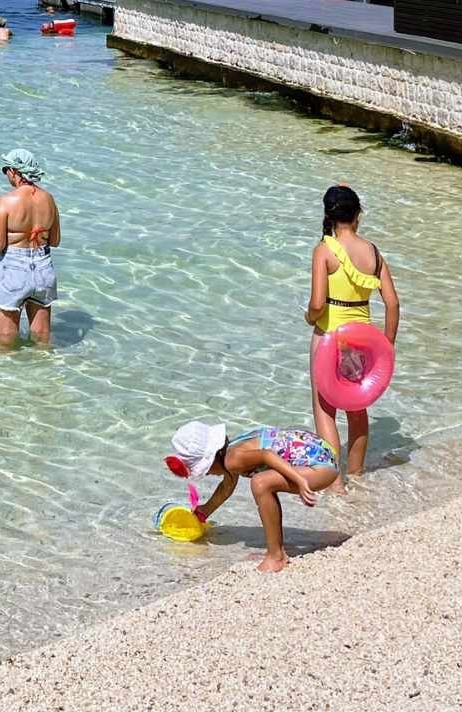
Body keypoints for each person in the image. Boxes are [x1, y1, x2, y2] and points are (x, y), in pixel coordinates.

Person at [305, 185, 399, 483]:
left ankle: (334, 483)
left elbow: (318, 304)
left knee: (325, 409)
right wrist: (386, 346)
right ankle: (357, 475)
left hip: (330, 337)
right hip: (361, 340)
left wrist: (309, 316)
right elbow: (393, 303)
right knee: (357, 409)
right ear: (357, 215)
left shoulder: (324, 250)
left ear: (328, 215)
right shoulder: (372, 252)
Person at [170, 418, 340, 573]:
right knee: (262, 482)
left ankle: (276, 556)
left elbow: (267, 455)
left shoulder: (233, 460)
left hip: (319, 469)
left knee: (260, 483)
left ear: (211, 459)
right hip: (322, 451)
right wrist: (204, 511)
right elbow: (227, 486)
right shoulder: (233, 450)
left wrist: (300, 481)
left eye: (205, 470)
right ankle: (276, 551)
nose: (208, 474)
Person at [0, 148, 59, 347]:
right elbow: (54, 241)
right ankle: (43, 375)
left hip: (13, 270)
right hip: (44, 268)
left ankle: (7, 377)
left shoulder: (6, 201)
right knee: (42, 340)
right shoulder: (49, 200)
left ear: (14, 171)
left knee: (6, 342)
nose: (6, 174)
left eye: (6, 169)